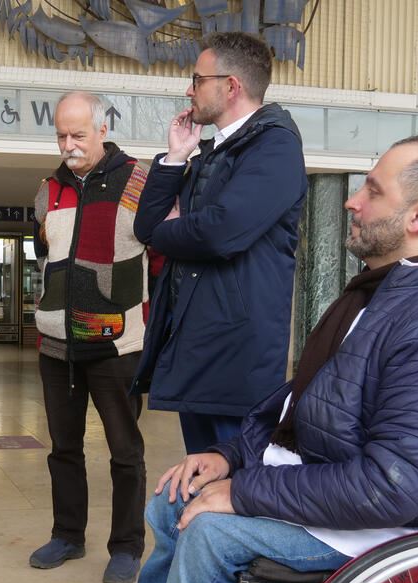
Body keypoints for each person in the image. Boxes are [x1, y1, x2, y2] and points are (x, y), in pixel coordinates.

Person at [94, 137, 418, 583]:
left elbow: (390, 488)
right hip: (337, 487)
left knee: (209, 531)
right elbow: (303, 404)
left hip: (388, 528)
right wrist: (230, 457)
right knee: (172, 498)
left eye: (373, 191)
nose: (352, 200)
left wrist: (245, 493)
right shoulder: (381, 294)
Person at [132, 31, 307, 455]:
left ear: (231, 86)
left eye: (197, 79)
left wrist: (169, 232)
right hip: (198, 352)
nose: (188, 90)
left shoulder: (276, 146)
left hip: (236, 361)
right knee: (200, 480)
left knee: (232, 482)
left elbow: (220, 232)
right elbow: (145, 225)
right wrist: (175, 158)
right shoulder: (213, 152)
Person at [28, 91, 164, 583]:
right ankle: (67, 535)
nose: (68, 144)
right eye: (61, 135)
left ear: (103, 130)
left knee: (125, 451)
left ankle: (126, 546)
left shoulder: (139, 181)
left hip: (117, 346)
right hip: (56, 345)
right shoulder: (48, 189)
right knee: (63, 449)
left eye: (78, 135)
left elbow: (161, 263)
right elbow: (45, 257)